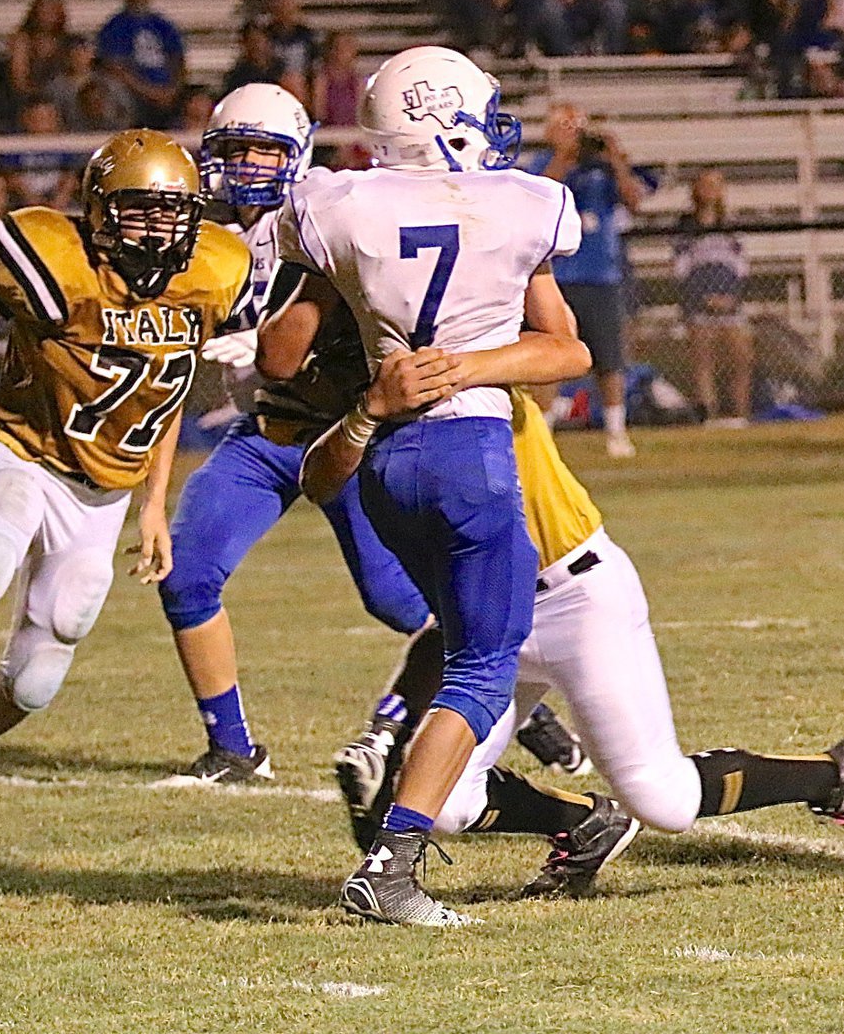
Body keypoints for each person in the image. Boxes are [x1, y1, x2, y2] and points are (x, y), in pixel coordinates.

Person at [283, 44, 593, 927]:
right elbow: (565, 351)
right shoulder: (529, 204)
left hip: (385, 456)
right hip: (471, 457)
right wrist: (470, 368)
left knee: (462, 646)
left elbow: (281, 348)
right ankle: (392, 863)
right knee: (483, 667)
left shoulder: (335, 203)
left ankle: (418, 786)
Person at [327, 383, 844, 897]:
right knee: (442, 803)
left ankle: (830, 775)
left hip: (575, 596)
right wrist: (361, 414)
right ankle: (588, 823)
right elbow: (319, 474)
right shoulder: (377, 417)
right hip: (491, 613)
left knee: (664, 799)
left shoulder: (478, 375)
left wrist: (469, 360)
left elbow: (561, 350)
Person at [0, 130, 252, 811]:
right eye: (141, 210)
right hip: (26, 452)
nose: (160, 229)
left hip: (102, 494)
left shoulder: (208, 275)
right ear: (101, 210)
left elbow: (165, 396)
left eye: (174, 212)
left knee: (38, 677)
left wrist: (154, 504)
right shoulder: (57, 261)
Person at [158, 82, 437, 784]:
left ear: (298, 151)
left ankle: (533, 717)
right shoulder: (201, 230)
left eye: (264, 148)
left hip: (346, 434)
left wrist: (262, 341)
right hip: (264, 433)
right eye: (235, 149)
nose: (249, 163)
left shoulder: (331, 210)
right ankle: (232, 750)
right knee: (185, 575)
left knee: (399, 599)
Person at [529, 102, 645, 458]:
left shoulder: (603, 168)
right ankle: (543, 432)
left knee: (610, 358)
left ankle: (616, 429)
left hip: (600, 274)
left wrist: (616, 161)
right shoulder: (540, 163)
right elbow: (538, 196)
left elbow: (635, 201)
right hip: (557, 274)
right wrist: (564, 158)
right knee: (550, 355)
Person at [674, 169, 753, 427]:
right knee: (703, 359)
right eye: (704, 185)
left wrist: (731, 297)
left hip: (731, 301)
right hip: (700, 303)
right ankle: (707, 413)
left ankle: (740, 414)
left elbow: (742, 266)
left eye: (715, 185)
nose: (710, 190)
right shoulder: (686, 226)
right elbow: (681, 268)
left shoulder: (730, 224)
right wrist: (702, 297)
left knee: (741, 357)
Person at [96, 0, 185, 128]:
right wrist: (149, 92)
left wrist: (172, 90)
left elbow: (178, 59)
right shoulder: (115, 26)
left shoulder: (163, 24)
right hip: (133, 94)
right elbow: (115, 68)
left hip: (166, 92)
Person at [0, 97, 80, 210]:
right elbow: (10, 176)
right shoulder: (16, 143)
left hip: (59, 202)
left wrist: (59, 200)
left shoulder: (65, 144)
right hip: (22, 202)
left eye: (48, 116)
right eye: (38, 117)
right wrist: (31, 199)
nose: (44, 121)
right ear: (27, 119)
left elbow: (72, 176)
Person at [46, 35, 135, 133]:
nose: (79, 55)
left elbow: (126, 113)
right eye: (74, 51)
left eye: (84, 51)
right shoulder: (56, 87)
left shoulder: (110, 83)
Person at [8, 0, 72, 106]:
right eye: (45, 9)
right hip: (32, 99)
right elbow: (20, 80)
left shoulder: (65, 40)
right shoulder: (23, 40)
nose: (48, 14)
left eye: (53, 10)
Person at [263, 0, 319, 106]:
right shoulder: (265, 35)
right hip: (272, 85)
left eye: (288, 6)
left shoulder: (306, 35)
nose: (285, 11)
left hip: (303, 86)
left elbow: (314, 65)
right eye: (281, 6)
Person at [221, 20, 285, 97]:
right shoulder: (237, 76)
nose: (256, 46)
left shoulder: (281, 70)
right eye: (252, 41)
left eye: (260, 40)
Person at [311, 32, 362, 129]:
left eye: (349, 47)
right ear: (332, 51)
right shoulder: (322, 80)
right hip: (330, 133)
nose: (346, 51)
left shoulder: (358, 82)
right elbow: (319, 115)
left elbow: (360, 115)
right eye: (342, 47)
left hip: (353, 133)